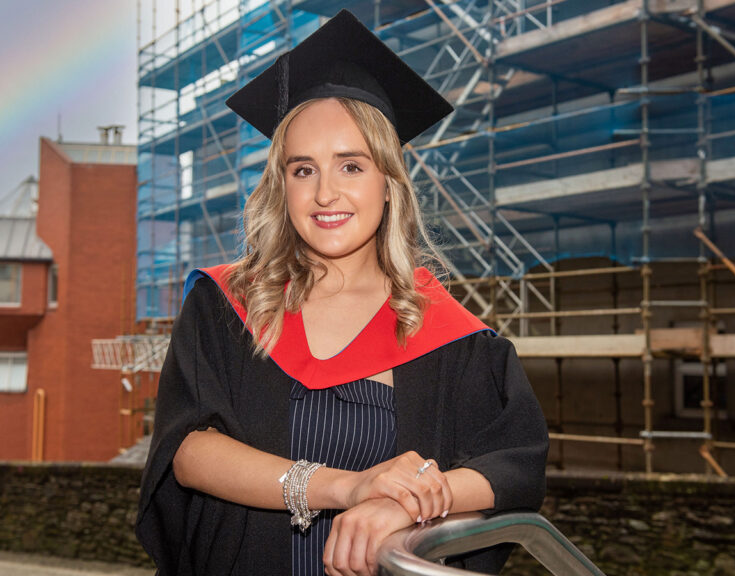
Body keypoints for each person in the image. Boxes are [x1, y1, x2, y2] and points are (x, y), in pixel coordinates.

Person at [136, 9, 548, 576]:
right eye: (303, 170)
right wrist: (349, 488)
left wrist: (410, 500)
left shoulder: (445, 330)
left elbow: (516, 462)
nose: (326, 193)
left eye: (351, 165)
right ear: (281, 185)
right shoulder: (227, 302)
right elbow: (187, 451)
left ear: (389, 181)